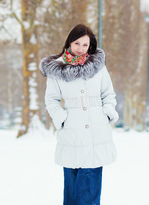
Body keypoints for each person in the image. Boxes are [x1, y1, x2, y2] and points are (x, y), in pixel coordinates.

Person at [40, 24, 118, 205]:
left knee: (89, 193)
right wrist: (62, 119)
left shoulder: (98, 66)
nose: (81, 49)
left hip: (96, 135)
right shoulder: (57, 69)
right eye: (77, 43)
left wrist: (106, 114)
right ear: (69, 42)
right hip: (71, 135)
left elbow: (108, 93)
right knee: (71, 192)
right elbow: (51, 99)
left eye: (85, 45)